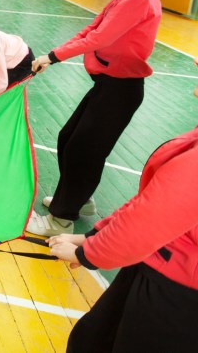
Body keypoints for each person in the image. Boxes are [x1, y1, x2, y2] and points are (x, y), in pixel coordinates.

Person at [46, 59, 198, 352]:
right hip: (159, 268)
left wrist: (89, 252)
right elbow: (153, 202)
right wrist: (92, 238)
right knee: (91, 339)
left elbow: (151, 219)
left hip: (178, 293)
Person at [27, 0, 175, 236]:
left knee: (84, 150)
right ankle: (79, 199)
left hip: (121, 91)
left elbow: (99, 38)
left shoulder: (140, 1)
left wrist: (52, 57)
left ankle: (61, 219)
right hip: (108, 86)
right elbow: (90, 30)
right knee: (69, 138)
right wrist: (54, 54)